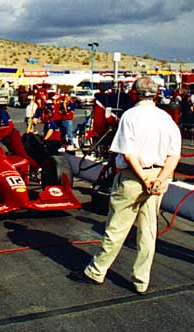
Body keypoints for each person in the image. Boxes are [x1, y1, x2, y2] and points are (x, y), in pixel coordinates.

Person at [68, 76, 181, 295]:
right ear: (156, 94)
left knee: (116, 228)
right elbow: (174, 155)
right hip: (159, 177)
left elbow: (128, 154)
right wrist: (158, 179)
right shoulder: (166, 119)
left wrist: (143, 178)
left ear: (135, 93)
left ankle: (96, 271)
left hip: (133, 178)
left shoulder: (130, 116)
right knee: (148, 231)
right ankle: (141, 281)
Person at [0, 99, 42, 172]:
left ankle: (37, 168)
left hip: (12, 135)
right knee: (9, 155)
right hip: (4, 138)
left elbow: (8, 126)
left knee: (20, 153)